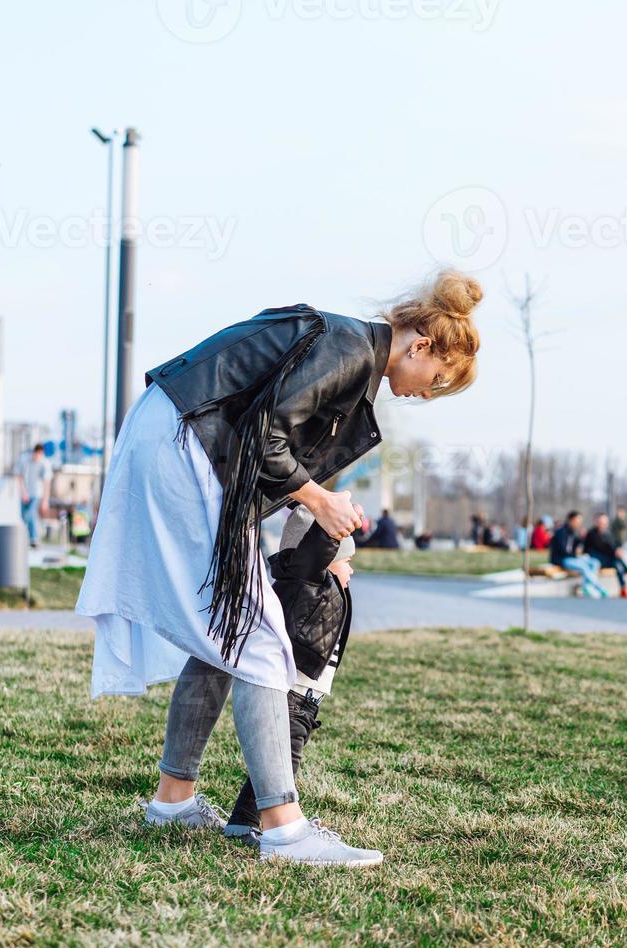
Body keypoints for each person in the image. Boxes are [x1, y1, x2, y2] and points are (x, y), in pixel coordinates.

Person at [76, 269, 482, 867]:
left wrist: (325, 536)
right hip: (186, 442)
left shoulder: (349, 356)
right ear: (421, 344)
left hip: (175, 432)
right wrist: (319, 501)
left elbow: (275, 448)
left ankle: (173, 800)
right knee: (260, 639)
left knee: (228, 627)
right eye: (437, 379)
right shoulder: (346, 348)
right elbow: (261, 437)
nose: (428, 392)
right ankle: (284, 831)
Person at [224, 504, 355, 844]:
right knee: (285, 765)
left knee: (279, 762)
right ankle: (273, 823)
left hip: (306, 700)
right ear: (325, 555)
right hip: (294, 695)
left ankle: (242, 823)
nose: (352, 570)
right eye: (347, 560)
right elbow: (312, 549)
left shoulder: (320, 586)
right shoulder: (306, 578)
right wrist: (332, 524)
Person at [549, 510, 606, 598]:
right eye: (577, 521)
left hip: (571, 557)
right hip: (561, 559)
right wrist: (576, 554)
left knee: (594, 562)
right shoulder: (561, 532)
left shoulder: (572, 532)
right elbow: (565, 550)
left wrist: (581, 538)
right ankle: (599, 587)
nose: (578, 524)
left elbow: (574, 547)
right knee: (584, 566)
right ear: (570, 520)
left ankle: (587, 586)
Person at [583, 512, 627, 598]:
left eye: (604, 523)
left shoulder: (608, 533)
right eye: (600, 522)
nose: (602, 525)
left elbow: (614, 545)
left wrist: (617, 550)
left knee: (617, 564)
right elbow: (587, 549)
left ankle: (624, 587)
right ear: (596, 522)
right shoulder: (591, 534)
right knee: (616, 560)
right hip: (598, 559)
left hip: (610, 559)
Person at [15, 443, 53, 548]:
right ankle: (32, 534)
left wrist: (45, 500)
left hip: (36, 494)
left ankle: (34, 538)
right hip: (25, 493)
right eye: (36, 455)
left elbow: (47, 482)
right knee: (23, 516)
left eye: (40, 455)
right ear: (34, 453)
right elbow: (19, 477)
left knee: (31, 513)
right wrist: (23, 493)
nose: (37, 457)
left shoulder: (45, 463)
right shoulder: (25, 460)